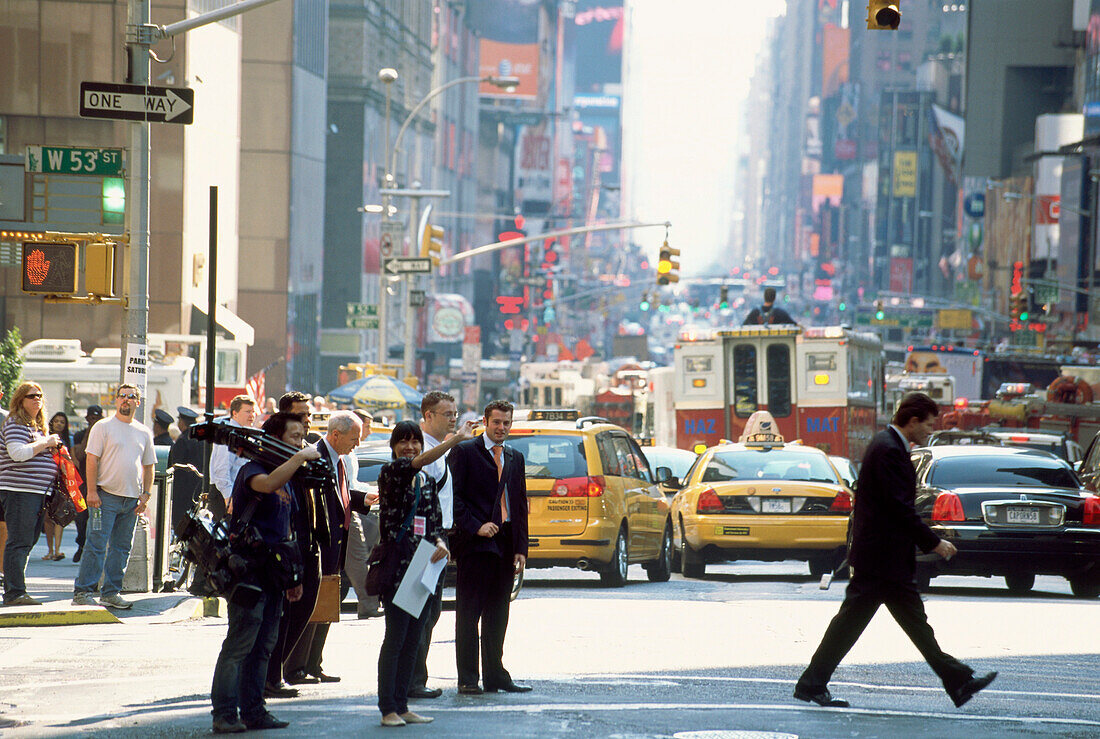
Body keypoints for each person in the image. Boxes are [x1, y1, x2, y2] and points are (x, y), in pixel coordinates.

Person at [794, 392, 997, 709]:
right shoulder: (889, 450)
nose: (931, 430)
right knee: (872, 626)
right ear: (913, 421)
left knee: (889, 625)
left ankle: (957, 681)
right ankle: (957, 681)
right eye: (929, 424)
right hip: (882, 562)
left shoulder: (887, 446)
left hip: (882, 561)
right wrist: (935, 542)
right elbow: (899, 510)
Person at [210, 411, 317, 734]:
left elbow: (288, 533)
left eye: (302, 437)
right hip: (248, 574)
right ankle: (225, 714)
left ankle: (254, 711)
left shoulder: (289, 479)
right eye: (294, 437)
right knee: (239, 646)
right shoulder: (252, 471)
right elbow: (268, 485)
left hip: (274, 575)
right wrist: (300, 457)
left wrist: (293, 579)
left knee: (264, 647)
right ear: (275, 440)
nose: (301, 443)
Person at [376, 419, 474, 727]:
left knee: (414, 637)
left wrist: (441, 543)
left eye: (415, 441)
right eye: (402, 442)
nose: (409, 447)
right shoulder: (391, 473)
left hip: (423, 567)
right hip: (397, 568)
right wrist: (454, 440)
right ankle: (387, 707)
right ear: (393, 447)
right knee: (395, 637)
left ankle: (403, 705)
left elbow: (434, 523)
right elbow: (419, 462)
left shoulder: (427, 482)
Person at [284, 411, 372, 685]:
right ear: (336, 435)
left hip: (335, 546)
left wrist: (362, 499)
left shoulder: (340, 459)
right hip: (318, 546)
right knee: (311, 608)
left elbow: (339, 498)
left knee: (326, 607)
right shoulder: (315, 457)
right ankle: (295, 667)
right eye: (353, 438)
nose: (356, 444)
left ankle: (313, 664)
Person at [449, 399, 530, 695]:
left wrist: (522, 547)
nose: (502, 428)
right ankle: (468, 678)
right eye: (497, 422)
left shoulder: (514, 456)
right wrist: (476, 526)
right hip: (476, 543)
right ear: (485, 421)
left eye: (507, 423)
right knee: (469, 614)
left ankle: (496, 676)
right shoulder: (465, 452)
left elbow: (519, 503)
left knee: (499, 612)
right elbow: (454, 499)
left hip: (506, 543)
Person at [72, 385, 156, 610]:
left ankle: (111, 592)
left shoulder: (143, 432)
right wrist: (91, 492)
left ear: (138, 402)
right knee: (96, 544)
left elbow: (149, 466)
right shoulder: (103, 426)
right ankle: (83, 592)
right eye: (122, 396)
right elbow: (91, 460)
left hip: (130, 502)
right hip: (104, 498)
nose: (126, 400)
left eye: (131, 397)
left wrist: (146, 495)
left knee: (121, 548)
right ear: (116, 400)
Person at [407, 390, 458, 699]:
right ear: (428, 416)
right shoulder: (425, 452)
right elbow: (420, 504)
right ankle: (411, 681)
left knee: (431, 611)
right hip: (427, 540)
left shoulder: (439, 449)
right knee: (419, 612)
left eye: (455, 413)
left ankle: (414, 678)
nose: (453, 418)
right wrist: (432, 538)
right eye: (447, 414)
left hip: (440, 537)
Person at [0, 383, 63, 605]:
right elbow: (17, 453)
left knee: (28, 540)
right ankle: (14, 593)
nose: (37, 399)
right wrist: (46, 442)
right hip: (20, 492)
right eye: (31, 396)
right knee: (18, 541)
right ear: (20, 401)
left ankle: (17, 589)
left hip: (36, 493)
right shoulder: (16, 424)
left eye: (40, 396)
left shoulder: (36, 427)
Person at [209, 395, 257, 521]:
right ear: (235, 413)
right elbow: (221, 470)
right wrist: (228, 497)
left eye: (253, 411)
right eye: (248, 411)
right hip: (225, 496)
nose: (252, 415)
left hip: (237, 494)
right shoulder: (229, 435)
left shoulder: (244, 434)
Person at [70, 405, 104, 564]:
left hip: (101, 483)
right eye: (91, 418)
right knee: (81, 518)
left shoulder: (106, 434)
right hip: (84, 482)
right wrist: (90, 431)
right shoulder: (80, 435)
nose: (94, 421)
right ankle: (81, 544)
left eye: (97, 418)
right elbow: (80, 454)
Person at [167, 406, 205, 532]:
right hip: (198, 486)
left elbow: (175, 463)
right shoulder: (201, 439)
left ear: (182, 422)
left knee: (180, 522)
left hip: (182, 489)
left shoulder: (183, 440)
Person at [42, 411, 73, 561]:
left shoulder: (68, 441)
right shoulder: (45, 439)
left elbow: (71, 462)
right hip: (48, 481)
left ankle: (57, 550)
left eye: (62, 422)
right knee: (47, 517)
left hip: (62, 482)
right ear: (52, 423)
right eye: (57, 421)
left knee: (59, 515)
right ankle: (50, 549)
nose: (59, 424)